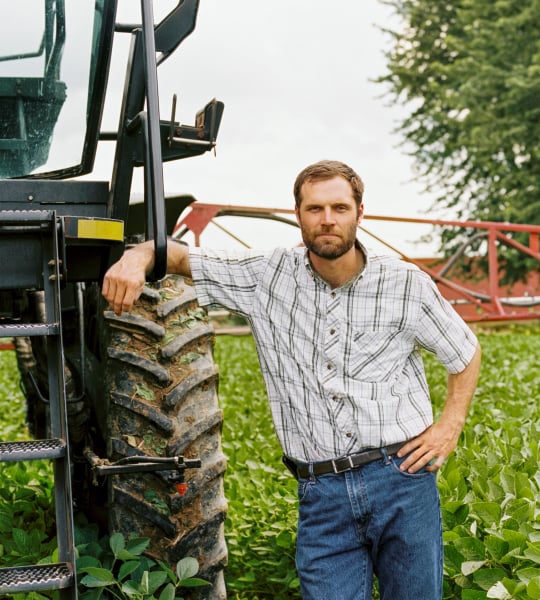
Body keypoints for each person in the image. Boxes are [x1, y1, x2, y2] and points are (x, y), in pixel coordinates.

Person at [102, 160, 481, 600]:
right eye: (315, 208)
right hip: (322, 496)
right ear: (297, 214)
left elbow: (465, 352)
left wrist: (449, 426)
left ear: (360, 212)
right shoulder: (266, 276)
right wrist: (137, 255)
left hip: (400, 481)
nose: (327, 219)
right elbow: (183, 257)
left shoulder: (405, 283)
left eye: (339, 207)